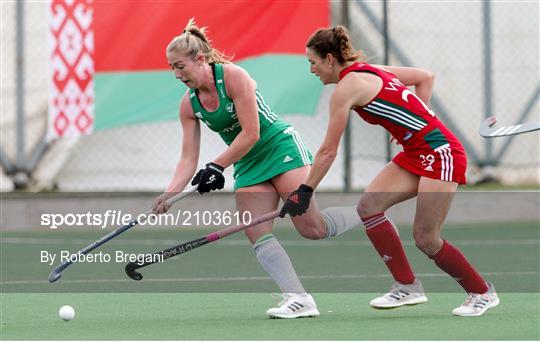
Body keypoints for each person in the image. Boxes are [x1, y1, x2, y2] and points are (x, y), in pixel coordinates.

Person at [281, 25, 500, 317]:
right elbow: (425, 77)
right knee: (369, 207)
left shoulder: (346, 89)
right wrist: (413, 121)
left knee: (426, 238)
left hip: (440, 152)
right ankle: (407, 286)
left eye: (313, 62)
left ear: (330, 59)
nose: (312, 70)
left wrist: (305, 190)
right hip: (415, 153)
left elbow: (328, 151)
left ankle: (481, 292)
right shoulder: (368, 69)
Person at [152, 19, 361, 319]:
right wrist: (170, 194)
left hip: (278, 147)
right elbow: (188, 158)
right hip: (248, 162)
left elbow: (252, 133)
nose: (176, 74)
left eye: (180, 66)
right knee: (256, 230)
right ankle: (299, 299)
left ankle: (365, 212)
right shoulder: (189, 105)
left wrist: (216, 165)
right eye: (171, 67)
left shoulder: (234, 77)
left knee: (313, 229)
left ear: (200, 60)